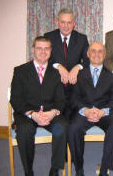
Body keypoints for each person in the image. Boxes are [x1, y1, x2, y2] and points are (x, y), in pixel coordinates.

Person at [10, 36, 68, 176]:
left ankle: (55, 169)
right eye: (39, 48)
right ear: (33, 50)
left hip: (49, 114)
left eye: (46, 48)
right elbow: (16, 99)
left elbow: (61, 100)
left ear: (50, 50)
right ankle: (28, 171)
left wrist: (53, 112)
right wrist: (32, 114)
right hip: (27, 114)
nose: (43, 51)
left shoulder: (55, 73)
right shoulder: (20, 71)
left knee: (63, 126)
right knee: (24, 130)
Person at [68, 42, 113, 176]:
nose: (96, 54)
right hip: (84, 112)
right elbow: (73, 98)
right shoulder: (78, 74)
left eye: (100, 51)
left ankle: (105, 169)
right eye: (93, 51)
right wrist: (85, 111)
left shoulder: (112, 75)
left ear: (104, 55)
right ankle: (79, 169)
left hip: (105, 113)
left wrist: (103, 111)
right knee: (73, 129)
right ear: (87, 54)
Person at [44, 8, 89, 120]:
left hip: (74, 89)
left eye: (69, 22)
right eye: (63, 22)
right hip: (54, 89)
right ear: (57, 22)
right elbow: (43, 58)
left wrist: (77, 67)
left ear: (74, 24)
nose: (66, 26)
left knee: (72, 122)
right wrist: (58, 66)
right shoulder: (48, 37)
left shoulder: (82, 39)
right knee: (58, 123)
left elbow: (89, 60)